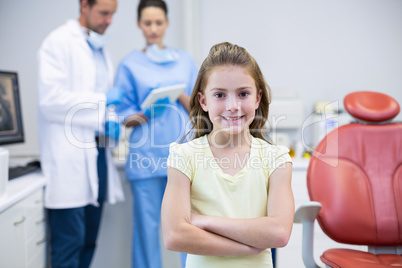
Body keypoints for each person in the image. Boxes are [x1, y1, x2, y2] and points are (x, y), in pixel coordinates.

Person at [161, 42, 294, 268]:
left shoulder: (276, 159)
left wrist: (203, 221)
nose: (232, 106)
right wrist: (248, 246)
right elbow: (175, 236)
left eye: (243, 93)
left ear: (257, 98)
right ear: (203, 101)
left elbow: (279, 233)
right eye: (220, 95)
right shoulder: (184, 156)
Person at [37, 0, 124, 267]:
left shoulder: (100, 49)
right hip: (69, 160)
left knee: (88, 241)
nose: (109, 20)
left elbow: (102, 101)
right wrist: (101, 102)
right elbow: (51, 100)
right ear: (84, 5)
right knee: (68, 246)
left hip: (98, 155)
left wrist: (111, 120)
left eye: (113, 14)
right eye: (104, 13)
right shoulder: (58, 43)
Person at [113, 0, 198, 267]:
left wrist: (179, 93)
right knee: (147, 231)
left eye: (158, 22)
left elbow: (200, 106)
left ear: (167, 23)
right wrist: (149, 110)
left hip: (182, 158)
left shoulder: (185, 61)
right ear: (139, 24)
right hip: (145, 159)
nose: (153, 28)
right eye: (147, 23)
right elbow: (123, 118)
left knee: (189, 229)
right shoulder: (129, 64)